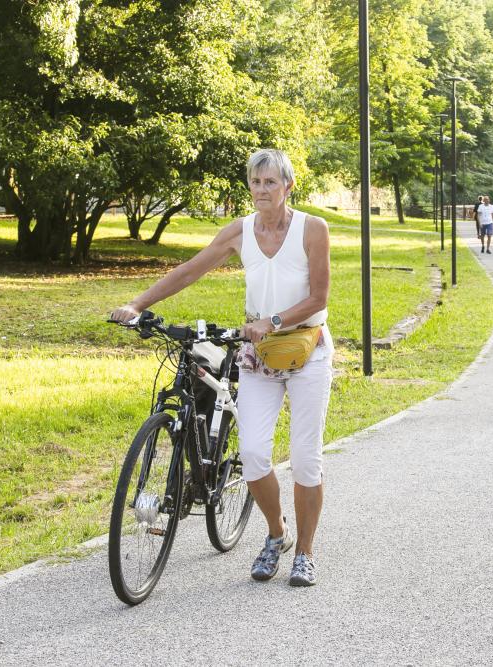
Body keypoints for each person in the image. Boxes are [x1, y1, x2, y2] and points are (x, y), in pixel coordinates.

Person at [111, 148, 332, 587]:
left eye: (270, 182)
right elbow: (189, 270)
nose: (261, 190)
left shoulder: (312, 229)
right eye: (255, 182)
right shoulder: (240, 231)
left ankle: (305, 552)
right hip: (258, 354)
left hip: (307, 349)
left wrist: (271, 321)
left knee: (306, 458)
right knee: (252, 454)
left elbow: (319, 297)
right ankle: (277, 534)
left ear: (288, 186)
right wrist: (137, 304)